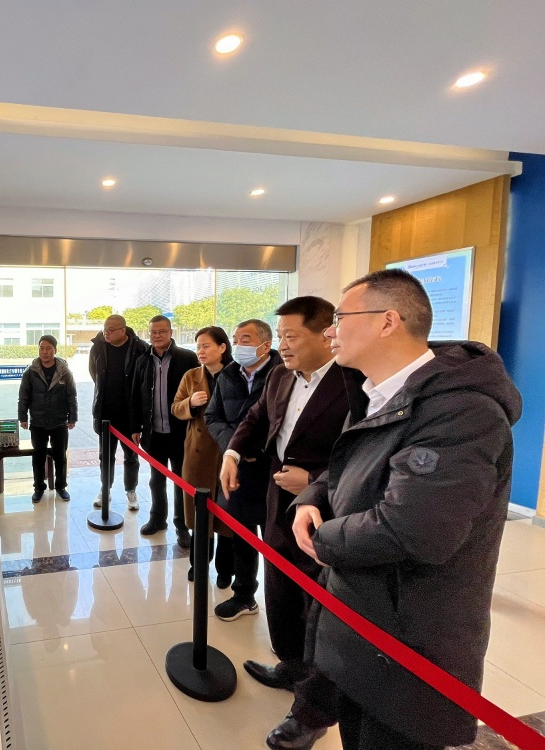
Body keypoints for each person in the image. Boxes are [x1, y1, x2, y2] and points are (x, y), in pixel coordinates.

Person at [292, 269, 521, 750]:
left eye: (340, 317)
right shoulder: (384, 393)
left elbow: (412, 530)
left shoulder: (461, 411)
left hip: (409, 636)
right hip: (363, 617)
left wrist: (322, 539)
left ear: (387, 321)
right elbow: (352, 462)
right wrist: (312, 498)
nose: (330, 330)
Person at [218, 297, 350, 750]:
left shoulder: (353, 382)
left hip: (328, 511)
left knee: (321, 612)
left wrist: (312, 482)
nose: (283, 345)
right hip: (278, 504)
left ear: (325, 335)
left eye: (291, 336)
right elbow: (257, 418)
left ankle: (312, 713)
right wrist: (233, 452)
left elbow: (364, 456)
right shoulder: (280, 375)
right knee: (281, 591)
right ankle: (291, 666)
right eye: (281, 336)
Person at [204, 319, 281, 618]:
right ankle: (244, 596)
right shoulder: (228, 374)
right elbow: (213, 417)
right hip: (237, 469)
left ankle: (284, 605)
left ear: (266, 344)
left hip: (273, 470)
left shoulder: (283, 374)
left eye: (245, 339)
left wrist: (254, 449)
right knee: (241, 535)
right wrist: (234, 449)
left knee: (277, 539)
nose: (238, 345)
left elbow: (283, 422)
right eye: (236, 339)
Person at [171, 326, 235, 584]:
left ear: (222, 347)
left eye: (206, 346)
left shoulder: (237, 375)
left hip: (229, 453)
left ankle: (225, 570)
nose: (200, 351)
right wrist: (190, 404)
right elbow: (175, 407)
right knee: (200, 516)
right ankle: (198, 564)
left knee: (227, 517)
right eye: (198, 346)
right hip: (198, 453)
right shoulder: (191, 376)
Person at [129, 315, 199, 547]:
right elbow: (135, 396)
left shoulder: (187, 358)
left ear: (171, 332)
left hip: (180, 433)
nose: (157, 336)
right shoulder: (142, 361)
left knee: (181, 481)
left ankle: (182, 525)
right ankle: (157, 519)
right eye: (153, 332)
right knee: (156, 480)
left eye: (162, 331)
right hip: (153, 433)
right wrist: (135, 427)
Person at [88, 314, 148, 511]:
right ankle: (105, 489)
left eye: (111, 330)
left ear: (123, 330)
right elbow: (94, 373)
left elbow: (144, 378)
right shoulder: (98, 346)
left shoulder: (139, 347)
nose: (106, 333)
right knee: (105, 456)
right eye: (105, 329)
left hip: (130, 414)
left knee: (131, 456)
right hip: (105, 412)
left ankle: (131, 491)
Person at [18, 335, 78, 504]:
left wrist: (73, 417)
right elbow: (23, 396)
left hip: (59, 421)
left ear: (55, 350)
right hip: (38, 421)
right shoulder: (30, 372)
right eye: (42, 348)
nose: (44, 352)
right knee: (38, 456)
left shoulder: (64, 372)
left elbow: (71, 396)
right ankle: (38, 488)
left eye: (48, 348)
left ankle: (61, 487)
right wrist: (23, 417)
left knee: (60, 456)